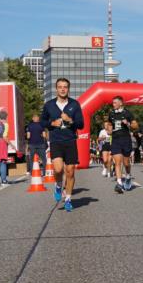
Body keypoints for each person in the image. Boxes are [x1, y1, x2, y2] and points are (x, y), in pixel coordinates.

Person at [41, 78, 84, 211]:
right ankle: (59, 185)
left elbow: (81, 124)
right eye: (60, 87)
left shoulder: (74, 104)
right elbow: (42, 122)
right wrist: (51, 124)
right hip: (56, 141)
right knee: (58, 169)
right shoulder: (49, 105)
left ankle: (68, 199)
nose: (63, 89)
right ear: (56, 89)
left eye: (65, 87)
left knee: (70, 172)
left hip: (70, 141)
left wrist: (70, 120)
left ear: (68, 88)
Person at [108, 96, 135, 194]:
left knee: (126, 163)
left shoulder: (127, 113)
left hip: (126, 140)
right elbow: (110, 124)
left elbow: (135, 125)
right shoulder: (111, 114)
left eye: (115, 102)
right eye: (113, 102)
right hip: (115, 140)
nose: (113, 104)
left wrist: (128, 123)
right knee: (117, 162)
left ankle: (128, 175)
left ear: (121, 103)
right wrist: (109, 130)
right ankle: (119, 183)